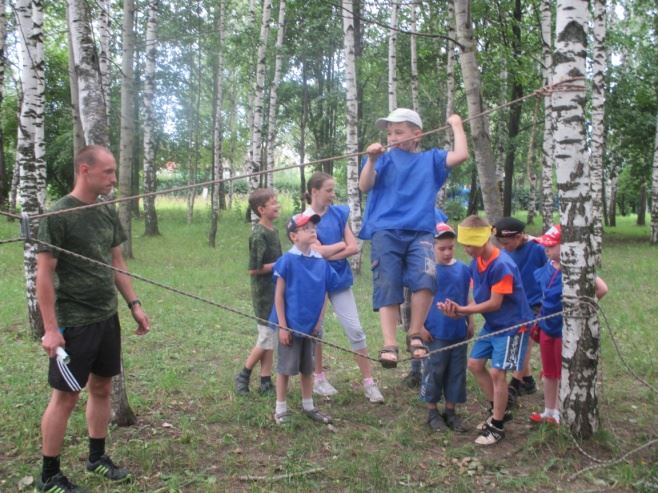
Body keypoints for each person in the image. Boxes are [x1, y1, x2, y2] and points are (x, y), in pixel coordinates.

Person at [35, 145, 150, 493]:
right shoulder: (58, 215)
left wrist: (134, 304)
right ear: (84, 170)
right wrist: (52, 329)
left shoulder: (104, 211)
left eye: (114, 172)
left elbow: (117, 262)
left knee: (101, 388)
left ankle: (96, 457)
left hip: (106, 316)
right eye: (108, 172)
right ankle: (49, 476)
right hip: (75, 323)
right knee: (65, 397)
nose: (113, 179)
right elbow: (43, 276)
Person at [358, 108, 469, 367]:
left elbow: (461, 155)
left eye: (398, 132)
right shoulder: (383, 158)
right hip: (386, 230)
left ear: (417, 134)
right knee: (388, 283)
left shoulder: (430, 160)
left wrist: (457, 124)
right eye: (389, 133)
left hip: (420, 230)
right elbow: (364, 186)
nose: (392, 137)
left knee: (426, 278)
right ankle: (389, 343)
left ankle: (415, 333)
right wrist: (372, 160)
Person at [438, 215, 533, 446]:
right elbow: (476, 294)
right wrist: (456, 309)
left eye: (471, 245)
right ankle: (499, 410)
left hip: (513, 327)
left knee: (498, 373)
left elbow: (494, 303)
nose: (467, 250)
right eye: (465, 245)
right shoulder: (477, 262)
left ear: (484, 240)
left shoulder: (502, 265)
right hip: (494, 325)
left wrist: (463, 310)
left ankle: (497, 426)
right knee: (475, 364)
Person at [303, 172, 384, 403]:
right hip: (315, 280)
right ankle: (319, 378)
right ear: (315, 191)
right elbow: (316, 251)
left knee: (355, 329)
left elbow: (354, 248)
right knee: (315, 330)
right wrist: (339, 245)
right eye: (328, 190)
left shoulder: (339, 213)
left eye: (333, 190)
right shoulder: (304, 219)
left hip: (339, 278)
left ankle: (369, 382)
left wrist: (329, 249)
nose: (332, 194)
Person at [529, 225, 608, 425]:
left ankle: (561, 411)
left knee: (563, 370)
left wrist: (580, 311)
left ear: (564, 246)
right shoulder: (549, 264)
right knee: (548, 371)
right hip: (547, 327)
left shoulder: (574, 268)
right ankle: (549, 410)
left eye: (550, 245)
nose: (546, 249)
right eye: (544, 245)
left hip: (565, 330)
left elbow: (601, 288)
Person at [270, 213, 340, 425]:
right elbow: (279, 296)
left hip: (311, 327)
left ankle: (308, 405)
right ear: (293, 236)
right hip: (289, 325)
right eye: (306, 227)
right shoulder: (287, 261)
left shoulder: (321, 263)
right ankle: (280, 409)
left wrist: (318, 323)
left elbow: (325, 294)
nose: (312, 230)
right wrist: (283, 326)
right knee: (285, 368)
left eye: (313, 227)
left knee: (307, 368)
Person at [420, 223, 474, 432]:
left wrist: (469, 320)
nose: (447, 252)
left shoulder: (463, 269)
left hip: (458, 331)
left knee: (456, 371)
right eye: (441, 248)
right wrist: (420, 327)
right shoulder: (427, 271)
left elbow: (466, 297)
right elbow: (419, 301)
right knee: (435, 370)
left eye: (450, 247)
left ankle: (450, 411)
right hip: (435, 332)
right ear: (432, 247)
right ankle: (432, 411)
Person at [493, 217, 548, 401]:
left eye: (507, 243)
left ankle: (515, 384)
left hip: (535, 303)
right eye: (501, 244)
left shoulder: (539, 249)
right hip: (517, 302)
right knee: (521, 340)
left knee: (524, 342)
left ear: (519, 237)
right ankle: (528, 381)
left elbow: (550, 273)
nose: (505, 247)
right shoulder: (506, 253)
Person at [235, 188, 282, 394]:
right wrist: (280, 264)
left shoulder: (273, 231)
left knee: (270, 337)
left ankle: (265, 380)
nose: (277, 205)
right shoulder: (258, 235)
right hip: (264, 294)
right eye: (273, 203)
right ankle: (243, 374)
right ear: (261, 209)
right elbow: (254, 269)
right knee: (265, 337)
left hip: (276, 291)